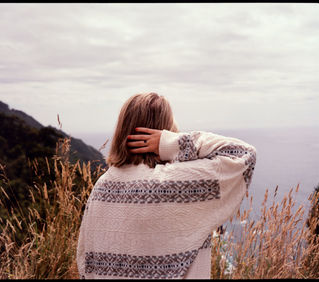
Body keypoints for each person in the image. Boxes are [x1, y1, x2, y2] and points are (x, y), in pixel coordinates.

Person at [76, 92, 256, 279]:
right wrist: (171, 143)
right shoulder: (176, 184)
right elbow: (244, 154)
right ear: (162, 131)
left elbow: (84, 262)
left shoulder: (102, 187)